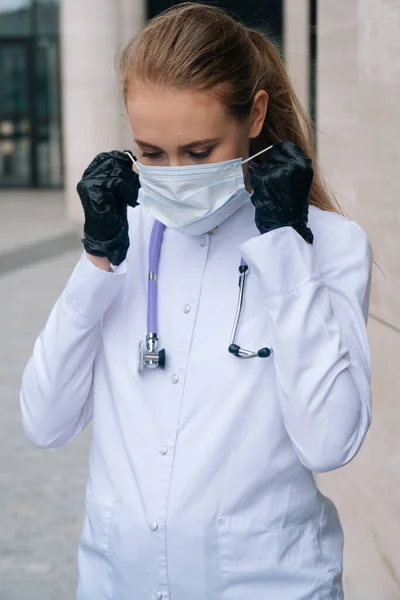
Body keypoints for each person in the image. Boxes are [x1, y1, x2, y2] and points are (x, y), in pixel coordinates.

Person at [20, 3, 372, 599]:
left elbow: (330, 440)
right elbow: (45, 421)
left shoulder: (328, 245)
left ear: (255, 114)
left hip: (267, 585)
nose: (175, 173)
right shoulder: (120, 237)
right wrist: (97, 261)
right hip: (118, 582)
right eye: (152, 153)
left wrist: (285, 249)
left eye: (200, 150)